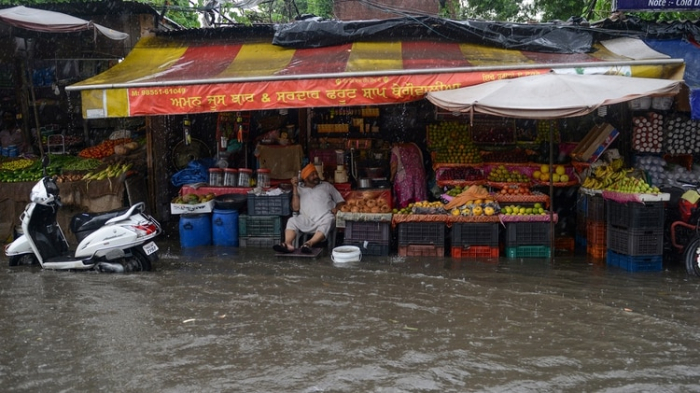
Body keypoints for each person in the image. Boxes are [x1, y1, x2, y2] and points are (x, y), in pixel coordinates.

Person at [273, 162, 345, 254]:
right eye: (312, 175)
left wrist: (337, 208)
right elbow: (295, 208)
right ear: (306, 179)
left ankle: (308, 244)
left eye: (316, 173)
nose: (316, 176)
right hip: (306, 219)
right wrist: (295, 187)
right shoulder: (299, 189)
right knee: (292, 220)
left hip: (324, 219)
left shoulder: (326, 186)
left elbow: (340, 201)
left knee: (330, 219)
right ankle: (287, 244)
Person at [390, 141, 428, 209]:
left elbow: (394, 166)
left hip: (405, 179)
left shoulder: (396, 149)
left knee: (405, 205)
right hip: (419, 176)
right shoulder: (415, 146)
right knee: (420, 204)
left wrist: (391, 178)